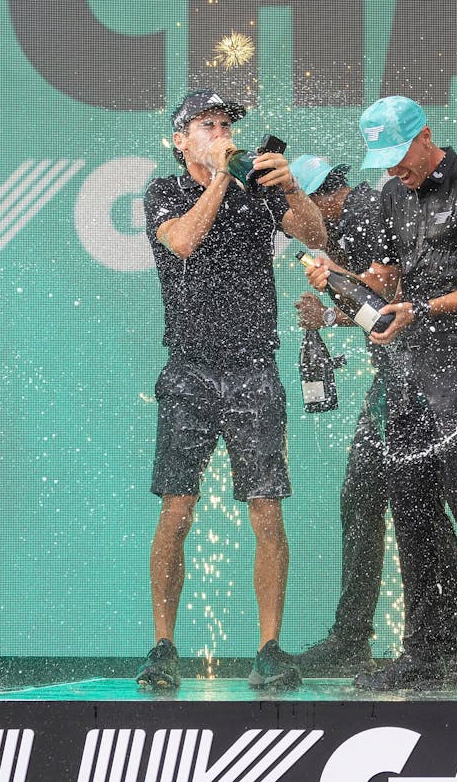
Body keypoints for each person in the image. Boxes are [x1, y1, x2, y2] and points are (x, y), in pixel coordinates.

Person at [305, 96, 457, 694]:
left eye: (400, 156)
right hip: (403, 365)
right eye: (383, 161)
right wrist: (339, 283)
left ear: (426, 137)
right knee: (409, 502)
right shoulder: (392, 195)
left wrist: (426, 307)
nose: (394, 170)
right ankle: (431, 653)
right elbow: (387, 278)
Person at [138, 89, 327, 691]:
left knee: (266, 511)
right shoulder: (164, 192)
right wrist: (222, 177)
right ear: (180, 140)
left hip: (253, 368)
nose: (221, 133)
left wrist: (290, 188)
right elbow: (184, 241)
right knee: (177, 511)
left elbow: (316, 235)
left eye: (226, 125)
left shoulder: (258, 193)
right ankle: (164, 645)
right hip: (189, 369)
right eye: (208, 125)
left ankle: (269, 646)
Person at [288, 155, 457, 676]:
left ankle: (437, 648)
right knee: (363, 497)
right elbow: (376, 309)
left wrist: (338, 284)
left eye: (300, 211)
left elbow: (401, 295)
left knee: (421, 511)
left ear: (324, 197)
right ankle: (355, 637)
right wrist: (332, 315)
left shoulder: (365, 213)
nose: (297, 228)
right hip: (396, 379)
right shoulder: (350, 220)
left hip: (421, 381)